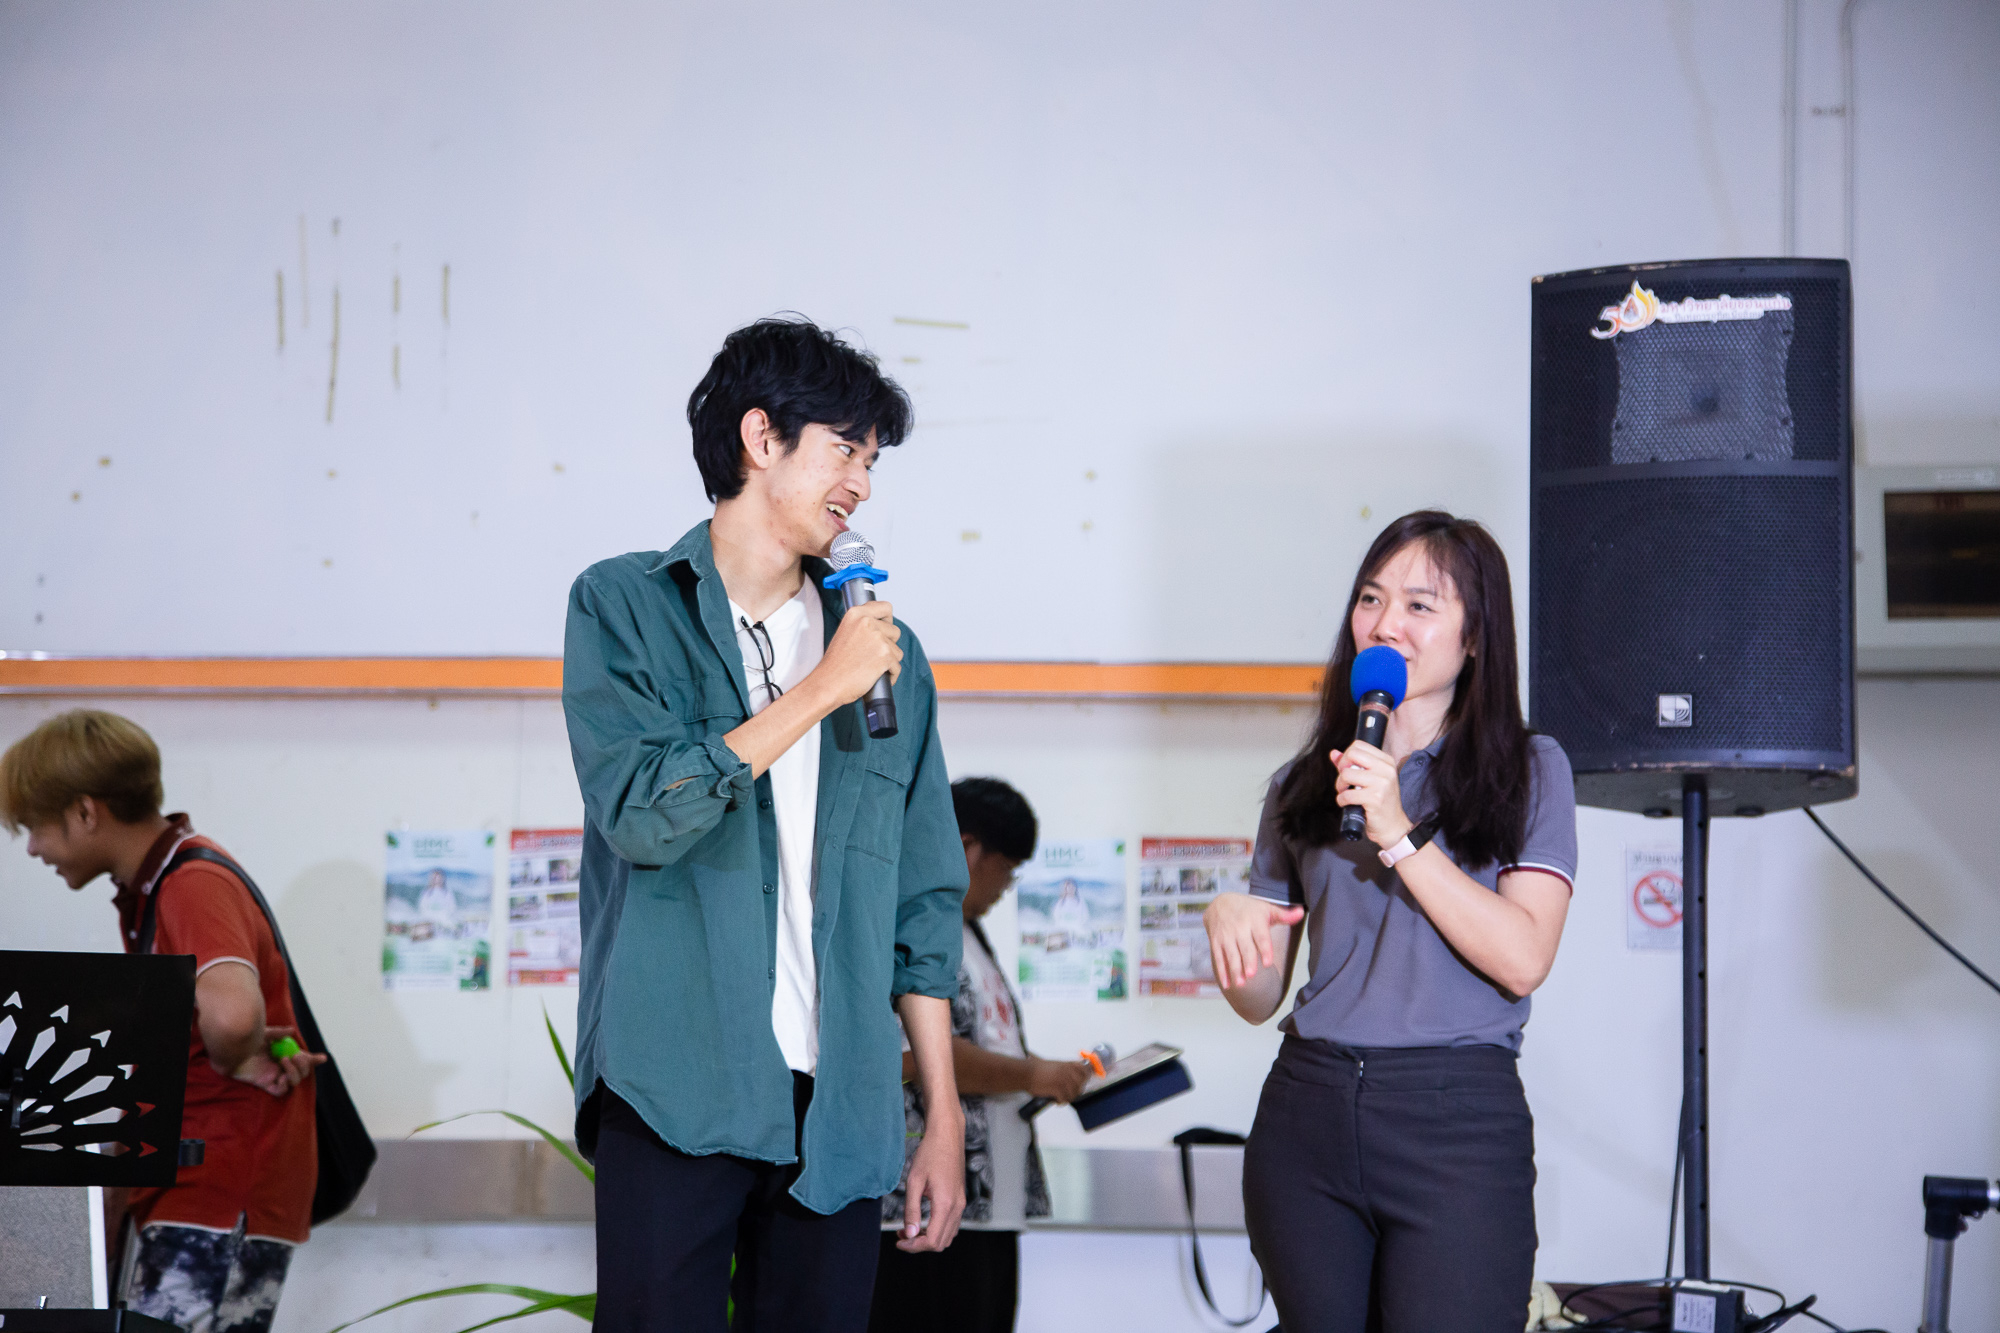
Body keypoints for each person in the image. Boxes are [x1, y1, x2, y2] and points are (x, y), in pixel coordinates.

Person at [563, 317, 969, 1333]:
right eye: (845, 451)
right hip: (676, 1082)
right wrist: (821, 689)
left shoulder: (890, 654)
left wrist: (943, 1113)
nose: (861, 485)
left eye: (871, 463)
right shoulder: (625, 605)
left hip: (839, 1103)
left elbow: (921, 899)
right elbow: (641, 814)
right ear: (760, 438)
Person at [1203, 511, 1578, 1333]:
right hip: (1308, 1108)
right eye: (1371, 599)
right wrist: (1230, 926)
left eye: (1419, 605)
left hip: (1455, 1118)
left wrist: (1399, 833)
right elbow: (1260, 998)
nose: (1385, 624)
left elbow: (1523, 957)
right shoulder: (1303, 783)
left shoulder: (1530, 769)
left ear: (1474, 636)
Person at [0, 709, 325, 1333]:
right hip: (194, 1186)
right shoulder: (160, 886)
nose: (34, 847)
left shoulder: (191, 883)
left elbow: (233, 1014)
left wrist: (238, 1056)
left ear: (85, 812)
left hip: (217, 1186)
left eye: (35, 826)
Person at [871, 777, 1091, 1333]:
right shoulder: (904, 925)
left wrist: (1043, 1076)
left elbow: (986, 1046)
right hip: (923, 1207)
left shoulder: (971, 935)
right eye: (1007, 868)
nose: (1007, 886)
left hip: (991, 1204)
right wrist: (1034, 1074)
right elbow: (913, 1053)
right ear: (968, 848)